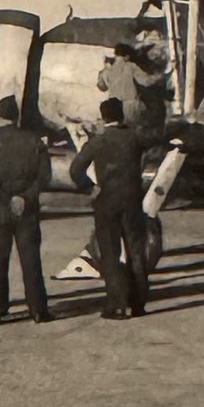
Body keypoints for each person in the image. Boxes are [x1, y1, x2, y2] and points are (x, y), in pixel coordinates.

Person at [68, 98, 154, 320]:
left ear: (103, 117)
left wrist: (91, 188)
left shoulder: (98, 141)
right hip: (133, 200)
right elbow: (153, 141)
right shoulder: (134, 137)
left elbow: (76, 169)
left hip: (106, 200)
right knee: (136, 250)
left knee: (110, 253)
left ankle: (117, 304)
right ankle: (139, 303)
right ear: (122, 115)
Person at [0, 96, 53, 325]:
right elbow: (45, 177)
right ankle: (38, 309)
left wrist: (1, 199)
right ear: (15, 116)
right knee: (31, 259)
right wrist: (24, 197)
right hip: (26, 210)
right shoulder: (34, 141)